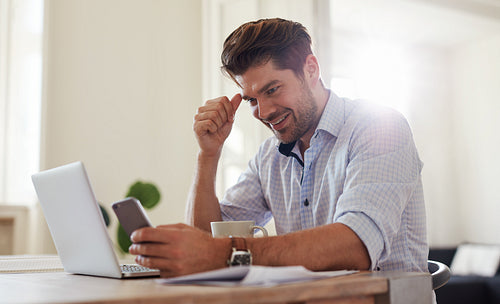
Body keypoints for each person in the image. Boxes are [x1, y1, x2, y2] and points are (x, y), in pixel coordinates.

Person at [129, 18, 428, 278]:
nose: (263, 111)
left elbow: (357, 246)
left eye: (272, 90)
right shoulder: (268, 157)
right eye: (251, 100)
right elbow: (207, 239)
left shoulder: (380, 126)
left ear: (311, 69)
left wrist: (225, 253)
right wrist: (208, 155)